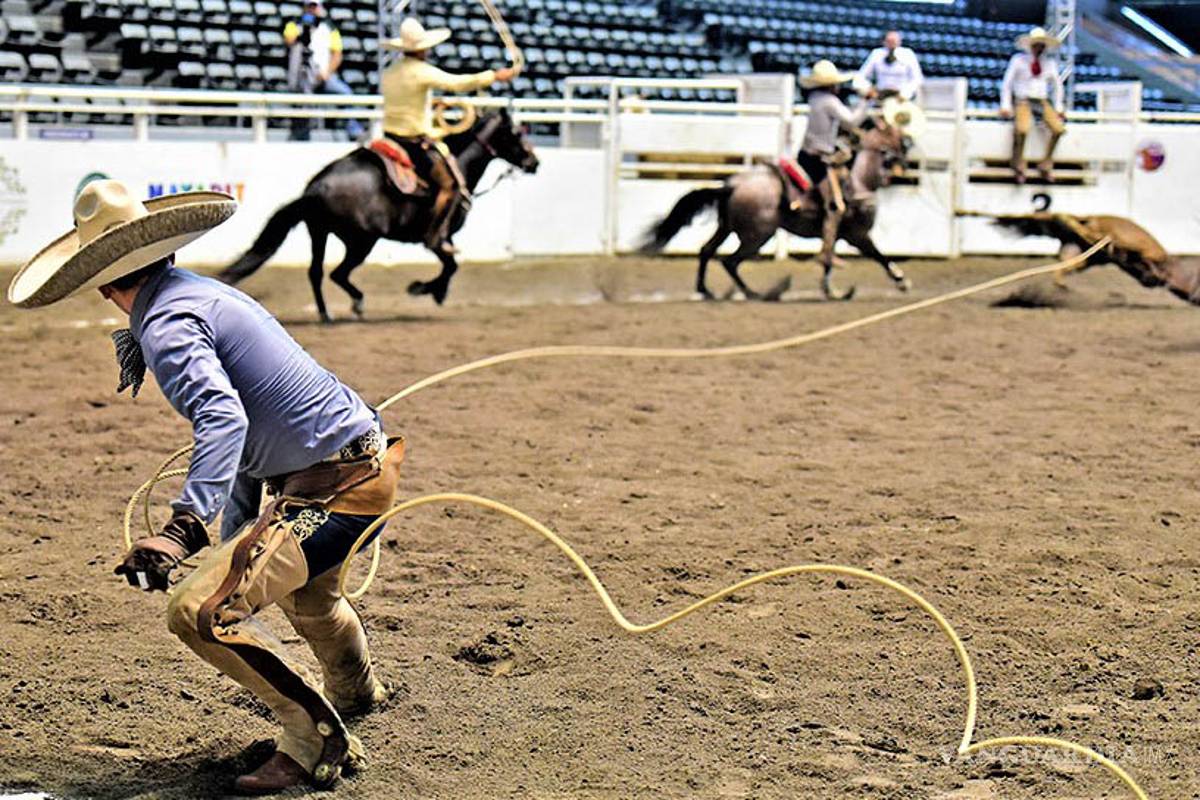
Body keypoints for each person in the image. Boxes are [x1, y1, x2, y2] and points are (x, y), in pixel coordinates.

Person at [6, 179, 405, 794]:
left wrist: (182, 529)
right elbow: (246, 437)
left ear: (103, 282)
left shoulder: (165, 324)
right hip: (358, 464)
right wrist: (231, 537)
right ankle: (357, 690)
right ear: (161, 253)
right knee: (312, 600)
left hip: (335, 490)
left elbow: (224, 420)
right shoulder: (198, 293)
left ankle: (313, 740)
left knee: (198, 610)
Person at [380, 17, 515, 257]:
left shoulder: (390, 72)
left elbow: (406, 102)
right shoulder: (421, 72)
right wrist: (494, 76)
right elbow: (457, 83)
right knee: (450, 184)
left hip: (389, 136)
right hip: (413, 141)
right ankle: (435, 235)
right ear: (422, 49)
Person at [284, 0, 365, 141]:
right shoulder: (294, 25)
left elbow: (337, 54)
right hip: (301, 77)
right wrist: (303, 30)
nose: (312, 9)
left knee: (345, 94)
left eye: (314, 6)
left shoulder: (330, 28)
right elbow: (289, 41)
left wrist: (327, 72)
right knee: (304, 110)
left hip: (323, 76)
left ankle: (354, 132)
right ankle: (300, 139)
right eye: (309, 6)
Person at [798, 59, 869, 214]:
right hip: (818, 158)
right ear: (831, 85)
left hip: (805, 153)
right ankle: (828, 236)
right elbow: (851, 121)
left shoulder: (814, 98)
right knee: (834, 206)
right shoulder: (830, 101)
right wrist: (865, 102)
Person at [1000, 26, 1066, 183]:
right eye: (1037, 45)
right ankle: (1018, 164)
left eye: (1041, 45)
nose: (1039, 48)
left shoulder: (1049, 64)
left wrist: (1058, 107)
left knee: (1058, 129)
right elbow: (1007, 83)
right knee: (1022, 129)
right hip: (1023, 99)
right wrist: (1006, 105)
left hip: (1041, 100)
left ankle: (1046, 163)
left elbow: (1057, 86)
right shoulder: (1018, 60)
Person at [856, 30, 923, 102]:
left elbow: (917, 78)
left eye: (894, 41)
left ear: (899, 41)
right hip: (880, 95)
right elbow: (860, 76)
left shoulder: (908, 54)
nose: (892, 43)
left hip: (902, 96)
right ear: (884, 41)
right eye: (889, 41)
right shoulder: (877, 54)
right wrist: (868, 88)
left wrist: (906, 92)